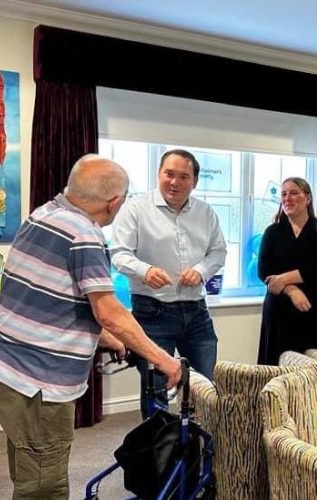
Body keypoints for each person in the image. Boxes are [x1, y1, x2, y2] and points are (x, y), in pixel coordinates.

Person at [0, 154, 182, 500]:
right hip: (36, 382)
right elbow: (109, 311)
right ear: (114, 202)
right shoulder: (85, 235)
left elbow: (55, 298)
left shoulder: (44, 214)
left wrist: (107, 338)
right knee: (46, 482)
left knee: (27, 454)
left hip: (2, 363)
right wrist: (165, 360)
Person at [111, 149, 226, 418]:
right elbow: (118, 253)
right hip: (152, 313)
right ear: (158, 174)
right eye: (169, 174)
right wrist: (144, 270)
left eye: (183, 176)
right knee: (156, 390)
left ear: (194, 182)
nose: (174, 182)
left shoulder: (206, 212)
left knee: (205, 386)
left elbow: (218, 252)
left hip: (197, 313)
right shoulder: (136, 210)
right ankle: (159, 458)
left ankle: (199, 453)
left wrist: (201, 271)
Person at [257, 177, 317, 365]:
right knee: (277, 368)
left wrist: (285, 278)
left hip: (316, 309)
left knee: (315, 370)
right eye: (284, 194)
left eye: (294, 193)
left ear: (307, 199)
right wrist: (292, 290)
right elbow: (264, 272)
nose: (288, 198)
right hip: (279, 311)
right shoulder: (272, 232)